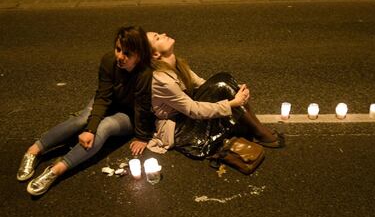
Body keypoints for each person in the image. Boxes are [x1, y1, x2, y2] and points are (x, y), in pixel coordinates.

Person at [17, 26, 155, 196]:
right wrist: (90, 129)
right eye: (118, 49)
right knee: (81, 120)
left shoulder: (145, 74)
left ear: (139, 55)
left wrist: (142, 136)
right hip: (110, 100)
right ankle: (33, 151)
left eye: (127, 53)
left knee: (106, 126)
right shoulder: (108, 61)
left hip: (128, 113)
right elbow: (103, 96)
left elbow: (142, 107)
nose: (120, 56)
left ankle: (56, 170)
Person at [145, 31, 284, 158]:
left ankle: (258, 130)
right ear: (156, 54)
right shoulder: (162, 80)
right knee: (223, 87)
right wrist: (232, 103)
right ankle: (259, 132)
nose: (163, 34)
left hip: (185, 115)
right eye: (157, 37)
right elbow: (193, 110)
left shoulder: (177, 63)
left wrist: (234, 87)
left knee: (224, 79)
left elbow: (201, 84)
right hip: (178, 128)